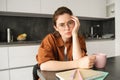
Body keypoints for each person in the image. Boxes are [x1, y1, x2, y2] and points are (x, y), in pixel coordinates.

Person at [34, 6, 96, 80]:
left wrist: (75, 34)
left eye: (70, 23)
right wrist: (77, 63)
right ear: (56, 28)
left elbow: (80, 62)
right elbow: (44, 66)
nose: (67, 28)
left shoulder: (78, 39)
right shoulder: (50, 39)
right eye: (62, 25)